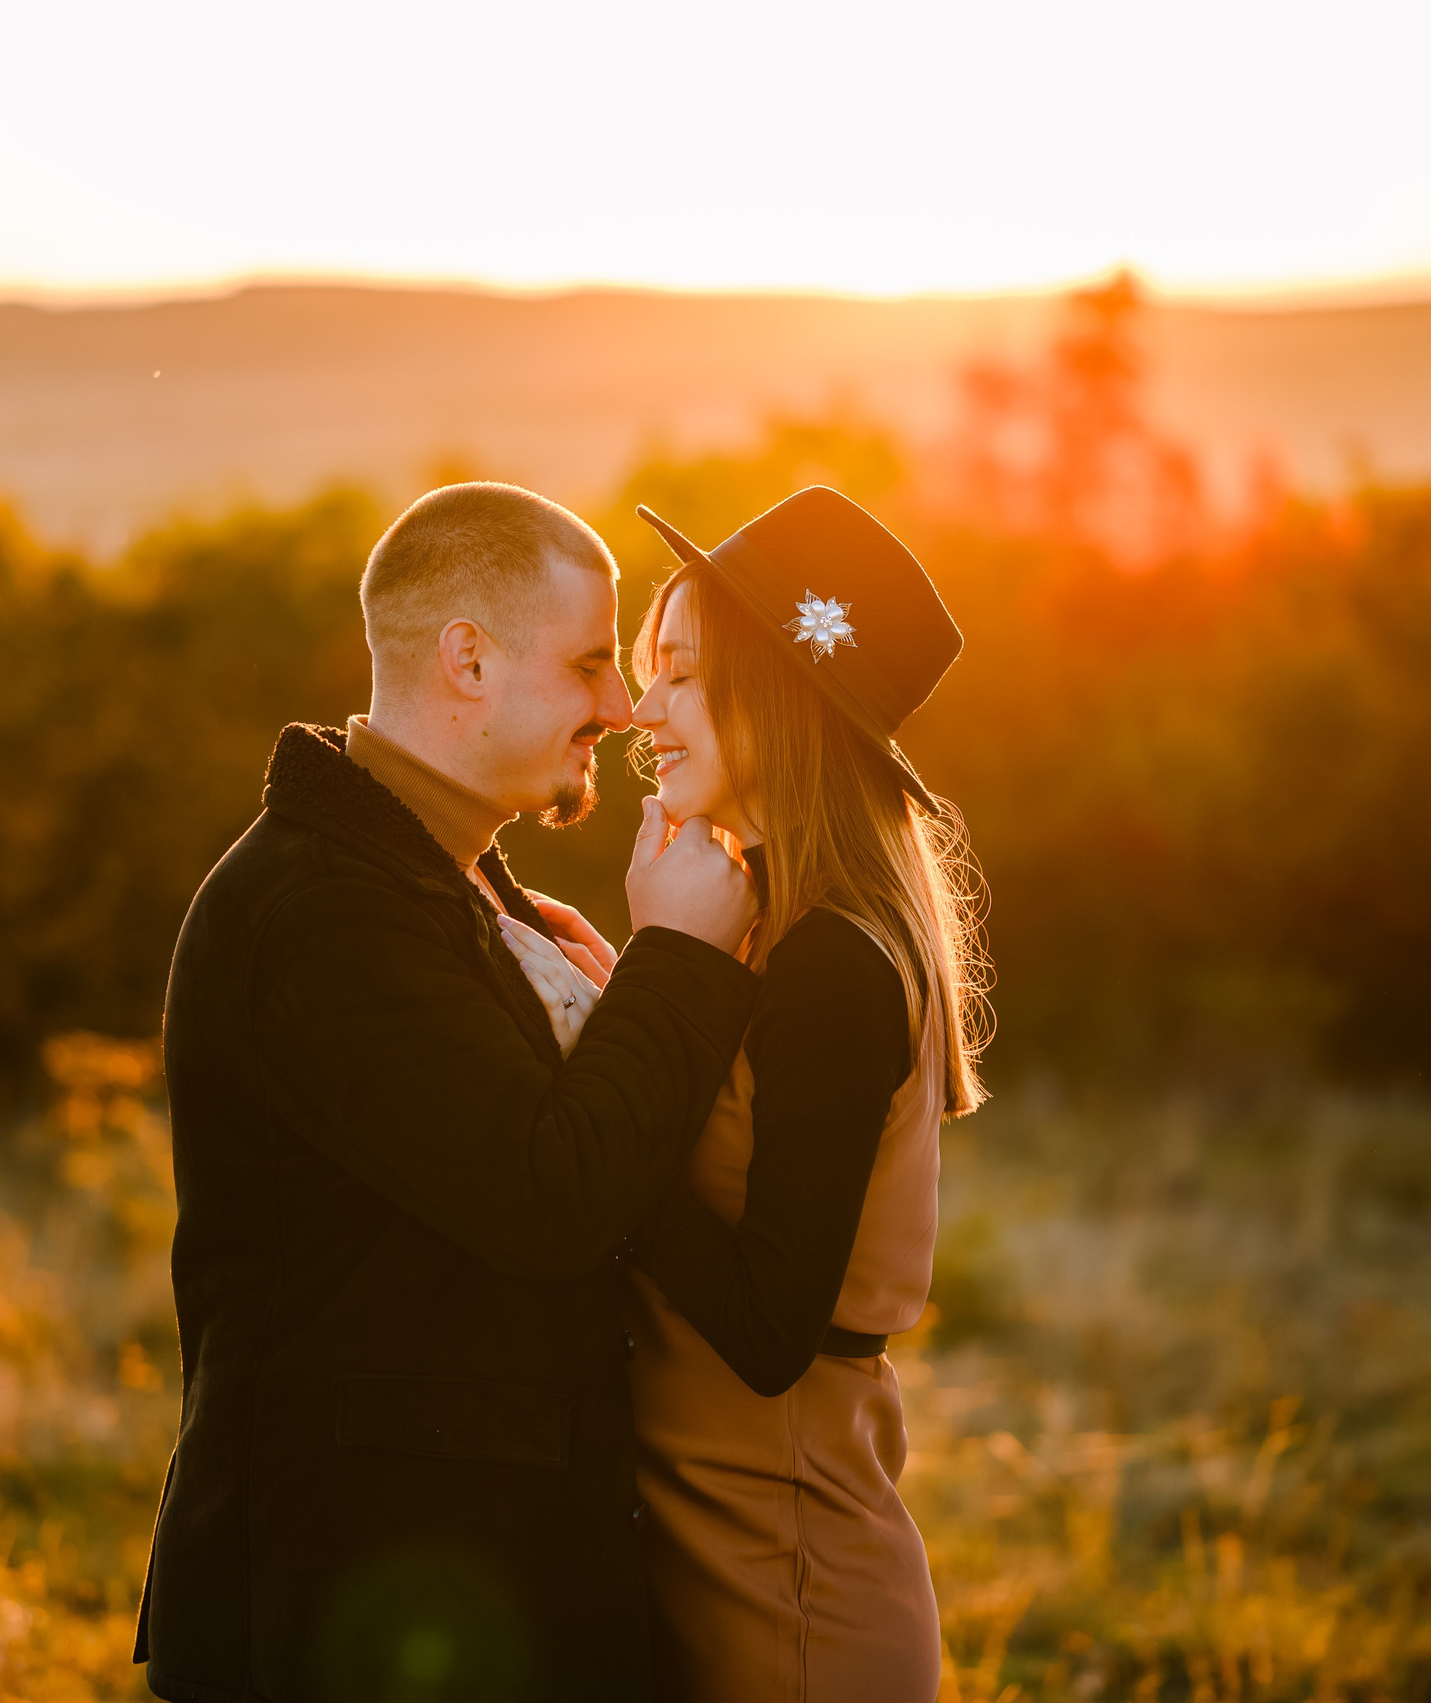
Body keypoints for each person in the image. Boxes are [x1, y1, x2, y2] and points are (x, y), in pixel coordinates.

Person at [133, 483, 763, 1703]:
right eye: (588, 664)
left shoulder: (456, 883)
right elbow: (549, 1193)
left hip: (456, 1583)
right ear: (466, 660)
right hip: (349, 1603)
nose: (620, 706)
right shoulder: (321, 911)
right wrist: (677, 968)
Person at [499, 488, 990, 1703]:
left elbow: (772, 1328)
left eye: (680, 674)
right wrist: (647, 985)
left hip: (791, 1596)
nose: (640, 710)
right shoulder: (768, 928)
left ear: (783, 694)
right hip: (725, 1549)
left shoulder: (833, 962)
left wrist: (590, 1092)